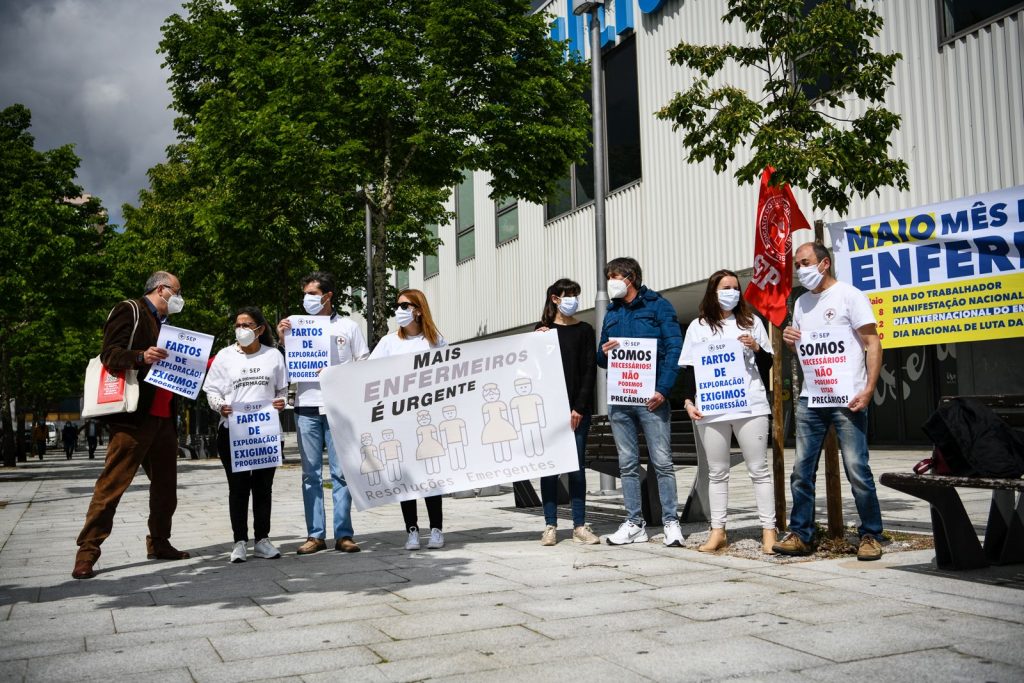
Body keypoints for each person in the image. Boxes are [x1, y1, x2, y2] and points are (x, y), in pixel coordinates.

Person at [72, 271, 190, 580]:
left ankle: (159, 542)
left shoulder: (167, 325)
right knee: (113, 484)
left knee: (166, 487)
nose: (179, 298)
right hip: (135, 417)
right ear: (162, 290)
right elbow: (110, 354)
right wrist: (140, 356)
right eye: (177, 291)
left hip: (164, 417)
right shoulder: (129, 310)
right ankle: (87, 552)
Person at [775, 242, 884, 561]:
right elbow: (803, 347)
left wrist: (869, 389)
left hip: (848, 397)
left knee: (856, 468)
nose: (800, 269)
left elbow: (872, 343)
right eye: (797, 264)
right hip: (812, 398)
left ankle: (871, 535)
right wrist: (790, 341)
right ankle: (801, 534)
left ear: (824, 264)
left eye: (805, 262)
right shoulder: (801, 302)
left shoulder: (850, 295)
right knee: (801, 471)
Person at [678, 270, 777, 554]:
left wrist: (757, 347)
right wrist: (688, 401)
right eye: (725, 287)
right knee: (717, 472)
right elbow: (689, 368)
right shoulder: (698, 326)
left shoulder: (751, 322)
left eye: (735, 287)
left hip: (750, 405)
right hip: (712, 407)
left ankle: (768, 531)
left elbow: (767, 365)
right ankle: (718, 530)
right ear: (713, 291)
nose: (731, 292)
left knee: (759, 470)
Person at [278, 272, 369, 554]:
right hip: (306, 405)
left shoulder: (348, 327)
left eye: (313, 294)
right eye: (305, 294)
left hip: (338, 407)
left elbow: (362, 364)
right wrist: (283, 338)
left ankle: (344, 534)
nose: (307, 300)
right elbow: (287, 363)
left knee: (342, 473)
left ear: (328, 296)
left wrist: (335, 374)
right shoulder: (295, 325)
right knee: (310, 474)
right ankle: (315, 535)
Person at [597, 257, 685, 547]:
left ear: (630, 278)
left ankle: (671, 521)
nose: (611, 282)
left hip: (652, 400)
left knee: (662, 462)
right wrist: (606, 351)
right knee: (627, 464)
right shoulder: (611, 312)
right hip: (621, 400)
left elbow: (675, 348)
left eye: (614, 276)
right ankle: (634, 523)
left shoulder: (658, 306)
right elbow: (600, 357)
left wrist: (663, 388)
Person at [203, 307, 288, 563]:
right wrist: (221, 406)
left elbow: (282, 390)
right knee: (238, 489)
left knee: (263, 489)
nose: (242, 329)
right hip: (233, 432)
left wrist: (281, 402)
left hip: (267, 433)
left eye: (247, 324)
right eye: (238, 325)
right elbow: (212, 391)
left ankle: (262, 539)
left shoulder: (273, 356)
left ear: (260, 329)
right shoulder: (225, 356)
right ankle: (239, 541)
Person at [369, 289, 447, 551]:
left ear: (418, 309)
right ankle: (412, 530)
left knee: (430, 476)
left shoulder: (435, 341)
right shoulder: (389, 342)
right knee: (406, 477)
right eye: (397, 305)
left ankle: (436, 529)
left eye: (405, 305)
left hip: (427, 418)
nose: (399, 310)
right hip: (398, 417)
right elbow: (366, 373)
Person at [534, 278, 599, 546]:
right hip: (549, 412)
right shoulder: (542, 331)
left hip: (576, 413)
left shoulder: (585, 330)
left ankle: (579, 525)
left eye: (576, 295)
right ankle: (550, 525)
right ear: (555, 299)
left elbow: (588, 371)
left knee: (576, 469)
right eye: (568, 295)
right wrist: (534, 343)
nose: (573, 300)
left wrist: (579, 407)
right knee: (549, 469)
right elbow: (533, 372)